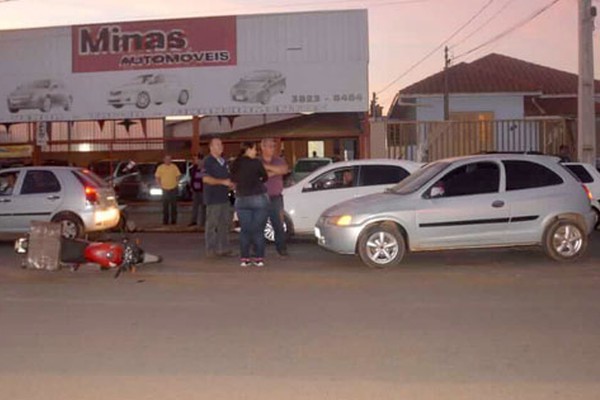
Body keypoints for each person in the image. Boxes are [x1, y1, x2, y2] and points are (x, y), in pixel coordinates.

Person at [231, 142, 270, 267]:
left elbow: (233, 179)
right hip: (258, 197)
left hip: (241, 199)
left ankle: (245, 258)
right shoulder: (256, 163)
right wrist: (257, 179)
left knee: (245, 230)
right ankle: (259, 258)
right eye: (254, 149)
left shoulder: (235, 163)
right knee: (258, 230)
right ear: (248, 150)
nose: (256, 152)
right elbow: (265, 177)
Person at [203, 138, 234, 258]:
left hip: (224, 198)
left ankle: (224, 248)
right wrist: (222, 182)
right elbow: (204, 178)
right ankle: (210, 249)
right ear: (210, 147)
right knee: (212, 225)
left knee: (224, 224)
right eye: (217, 144)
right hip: (213, 198)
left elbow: (228, 177)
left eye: (221, 144)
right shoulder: (207, 161)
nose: (221, 146)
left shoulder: (223, 162)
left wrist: (231, 184)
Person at [260, 138, 290, 257]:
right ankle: (258, 250)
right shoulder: (257, 161)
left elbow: (284, 169)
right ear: (262, 147)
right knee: (258, 225)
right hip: (260, 197)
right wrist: (276, 172)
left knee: (278, 224)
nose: (272, 149)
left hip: (276, 197)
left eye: (273, 146)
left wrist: (266, 168)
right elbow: (260, 176)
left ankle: (281, 248)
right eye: (270, 146)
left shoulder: (278, 160)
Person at [155, 154, 181, 225]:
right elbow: (157, 177)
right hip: (165, 189)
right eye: (166, 159)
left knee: (174, 206)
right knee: (165, 206)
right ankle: (165, 221)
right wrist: (159, 185)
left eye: (169, 159)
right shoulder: (160, 167)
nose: (168, 160)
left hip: (173, 189)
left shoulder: (174, 167)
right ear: (164, 160)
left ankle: (173, 221)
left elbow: (178, 175)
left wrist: (176, 183)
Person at [188, 153, 206, 229]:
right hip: (195, 190)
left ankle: (203, 222)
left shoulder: (205, 168)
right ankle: (193, 221)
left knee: (203, 206)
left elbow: (202, 178)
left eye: (196, 159)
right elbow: (193, 178)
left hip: (203, 190)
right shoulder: (194, 168)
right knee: (195, 206)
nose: (195, 161)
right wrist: (191, 187)